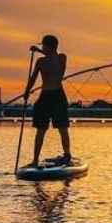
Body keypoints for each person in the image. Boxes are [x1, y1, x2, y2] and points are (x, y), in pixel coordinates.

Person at [23, 34, 71, 168]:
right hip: (44, 97)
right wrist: (26, 92)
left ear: (50, 46)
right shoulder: (40, 62)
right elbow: (32, 79)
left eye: (44, 45)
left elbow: (54, 58)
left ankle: (67, 155)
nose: (42, 47)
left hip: (58, 96)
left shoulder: (61, 58)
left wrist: (38, 50)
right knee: (40, 129)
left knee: (63, 128)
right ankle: (35, 160)